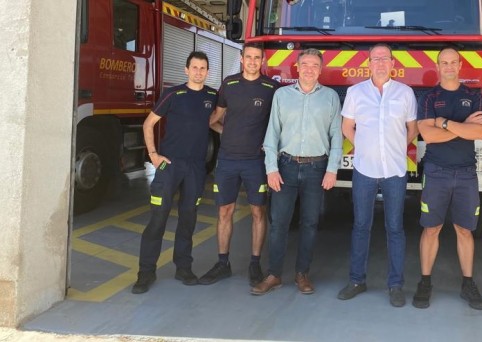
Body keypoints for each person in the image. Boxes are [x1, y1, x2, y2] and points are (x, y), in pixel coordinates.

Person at [252, 48, 342, 295]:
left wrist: (332, 170)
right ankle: (274, 275)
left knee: (310, 223)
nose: (310, 69)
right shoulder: (281, 95)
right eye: (305, 64)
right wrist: (271, 169)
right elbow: (272, 134)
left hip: (317, 168)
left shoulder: (331, 97)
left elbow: (337, 137)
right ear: (297, 68)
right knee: (279, 223)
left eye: (315, 65)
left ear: (320, 69)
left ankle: (302, 274)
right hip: (286, 167)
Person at [335, 43, 418, 307]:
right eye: (375, 59)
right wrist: (363, 146)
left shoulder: (405, 93)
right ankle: (357, 280)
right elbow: (346, 126)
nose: (380, 63)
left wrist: (396, 147)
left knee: (395, 227)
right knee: (361, 226)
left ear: (393, 63)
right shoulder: (355, 92)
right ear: (368, 63)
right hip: (364, 169)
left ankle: (395, 285)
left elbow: (412, 128)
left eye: (385, 59)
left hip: (395, 170)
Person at [132, 51, 218, 294]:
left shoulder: (212, 96)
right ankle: (145, 273)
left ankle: (183, 268)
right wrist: (153, 155)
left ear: (207, 72)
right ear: (186, 70)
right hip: (170, 165)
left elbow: (211, 122)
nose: (198, 72)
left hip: (196, 168)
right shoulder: (173, 94)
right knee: (158, 219)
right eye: (194, 67)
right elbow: (148, 124)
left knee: (188, 220)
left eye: (203, 68)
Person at [410, 47, 482, 310]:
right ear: (438, 65)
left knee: (464, 230)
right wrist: (463, 126)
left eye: (453, 62)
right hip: (436, 172)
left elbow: (479, 133)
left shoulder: (474, 96)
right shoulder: (428, 97)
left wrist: (444, 123)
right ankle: (425, 282)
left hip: (467, 172)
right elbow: (428, 137)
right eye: (444, 62)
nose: (449, 66)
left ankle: (468, 283)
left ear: (460, 65)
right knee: (431, 228)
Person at [199, 43, 280, 287]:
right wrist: (224, 132)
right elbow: (214, 118)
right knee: (225, 211)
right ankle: (223, 263)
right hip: (227, 159)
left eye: (257, 58)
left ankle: (255, 264)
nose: (253, 61)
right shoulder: (229, 84)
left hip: (256, 161)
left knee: (258, 212)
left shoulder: (271, 88)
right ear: (242, 59)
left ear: (262, 61)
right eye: (249, 57)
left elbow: (278, 123)